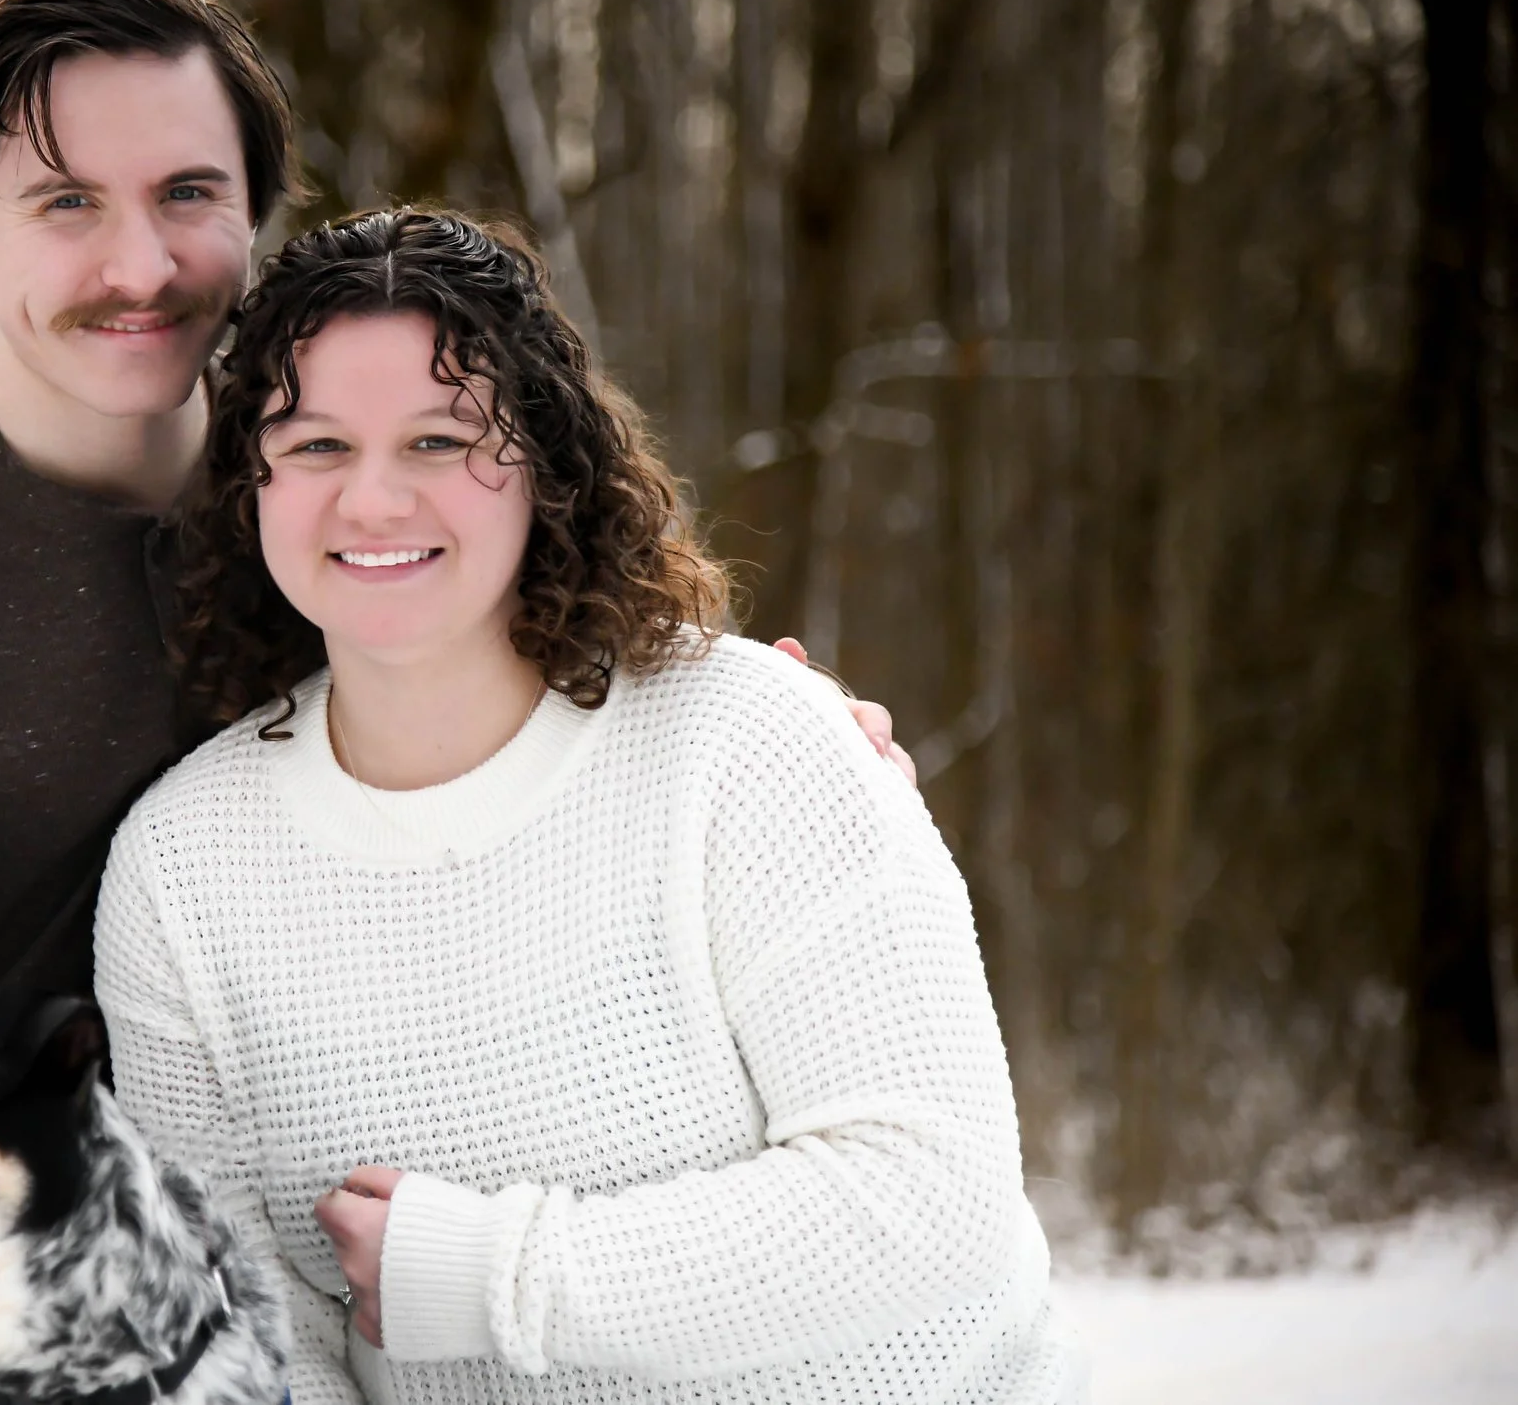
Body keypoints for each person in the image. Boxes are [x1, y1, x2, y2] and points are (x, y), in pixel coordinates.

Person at [0, 0, 911, 1340]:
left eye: (189, 193)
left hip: (371, 1205)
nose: (141, 264)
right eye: (65, 201)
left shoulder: (342, 477)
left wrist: (780, 741)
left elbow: (577, 661)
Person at [93, 210, 1080, 1405]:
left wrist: (491, 1274)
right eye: (315, 445)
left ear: (546, 466)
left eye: (441, 438)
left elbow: (929, 1198)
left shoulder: (749, 740)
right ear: (247, 480)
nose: (373, 497)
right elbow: (249, 1335)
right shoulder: (181, 867)